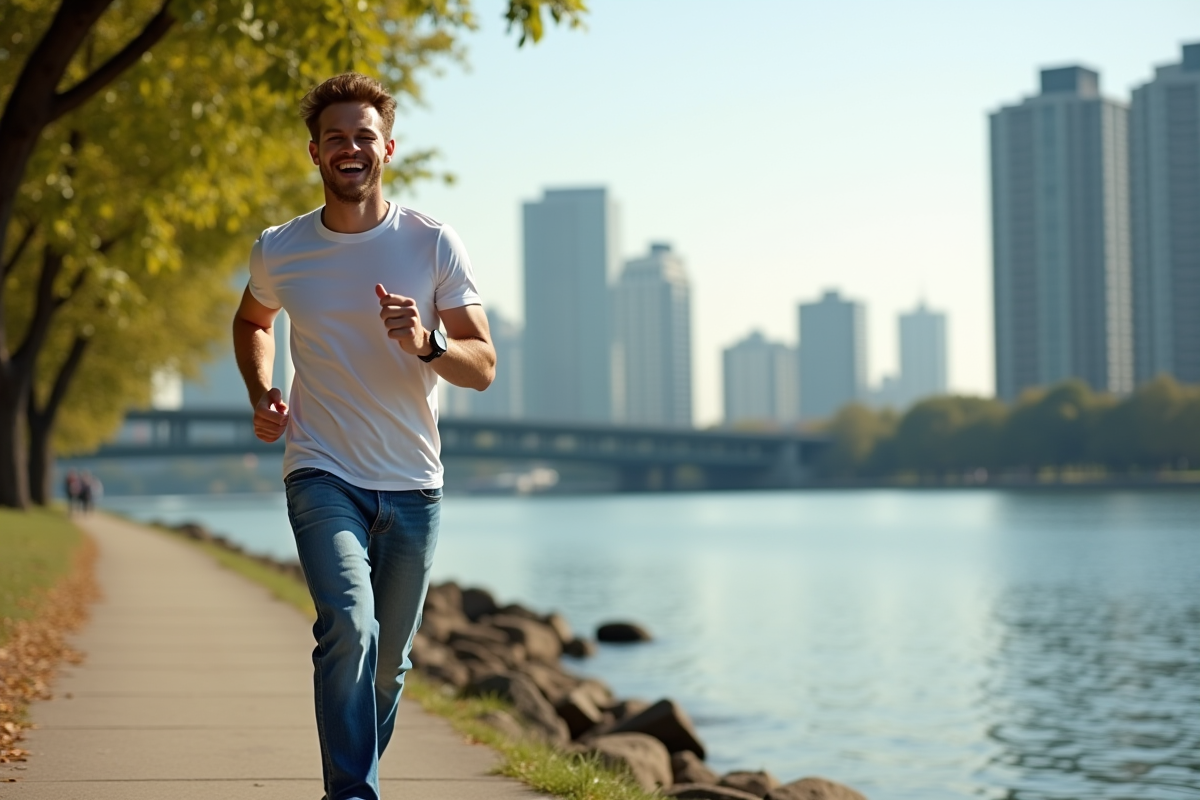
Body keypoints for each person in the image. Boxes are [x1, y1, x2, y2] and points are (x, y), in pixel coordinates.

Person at [231, 73, 495, 800]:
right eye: (336, 138)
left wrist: (428, 343)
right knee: (349, 626)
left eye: (364, 136)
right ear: (315, 152)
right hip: (322, 470)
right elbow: (253, 321)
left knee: (388, 664)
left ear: (388, 148)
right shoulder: (280, 249)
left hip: (414, 483)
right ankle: (353, 795)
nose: (351, 148)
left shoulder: (433, 243)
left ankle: (354, 778)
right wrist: (263, 392)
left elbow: (484, 367)